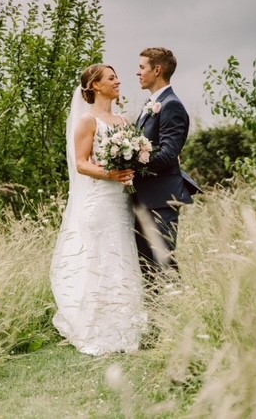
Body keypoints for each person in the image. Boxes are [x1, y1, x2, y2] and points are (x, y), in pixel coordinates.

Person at [50, 64, 147, 356]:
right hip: (99, 199)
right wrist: (110, 174)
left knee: (121, 255)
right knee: (100, 258)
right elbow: (81, 163)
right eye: (111, 78)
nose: (118, 81)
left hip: (120, 200)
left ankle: (125, 327)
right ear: (94, 85)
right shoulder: (87, 120)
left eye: (117, 76)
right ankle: (95, 327)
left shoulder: (124, 120)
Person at [133, 47, 199, 287]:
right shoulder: (151, 103)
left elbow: (169, 154)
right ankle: (155, 321)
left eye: (142, 67)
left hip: (162, 198)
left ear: (157, 70)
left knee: (164, 263)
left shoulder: (171, 105)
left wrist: (130, 161)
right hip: (144, 198)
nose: (138, 72)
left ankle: (179, 316)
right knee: (146, 266)